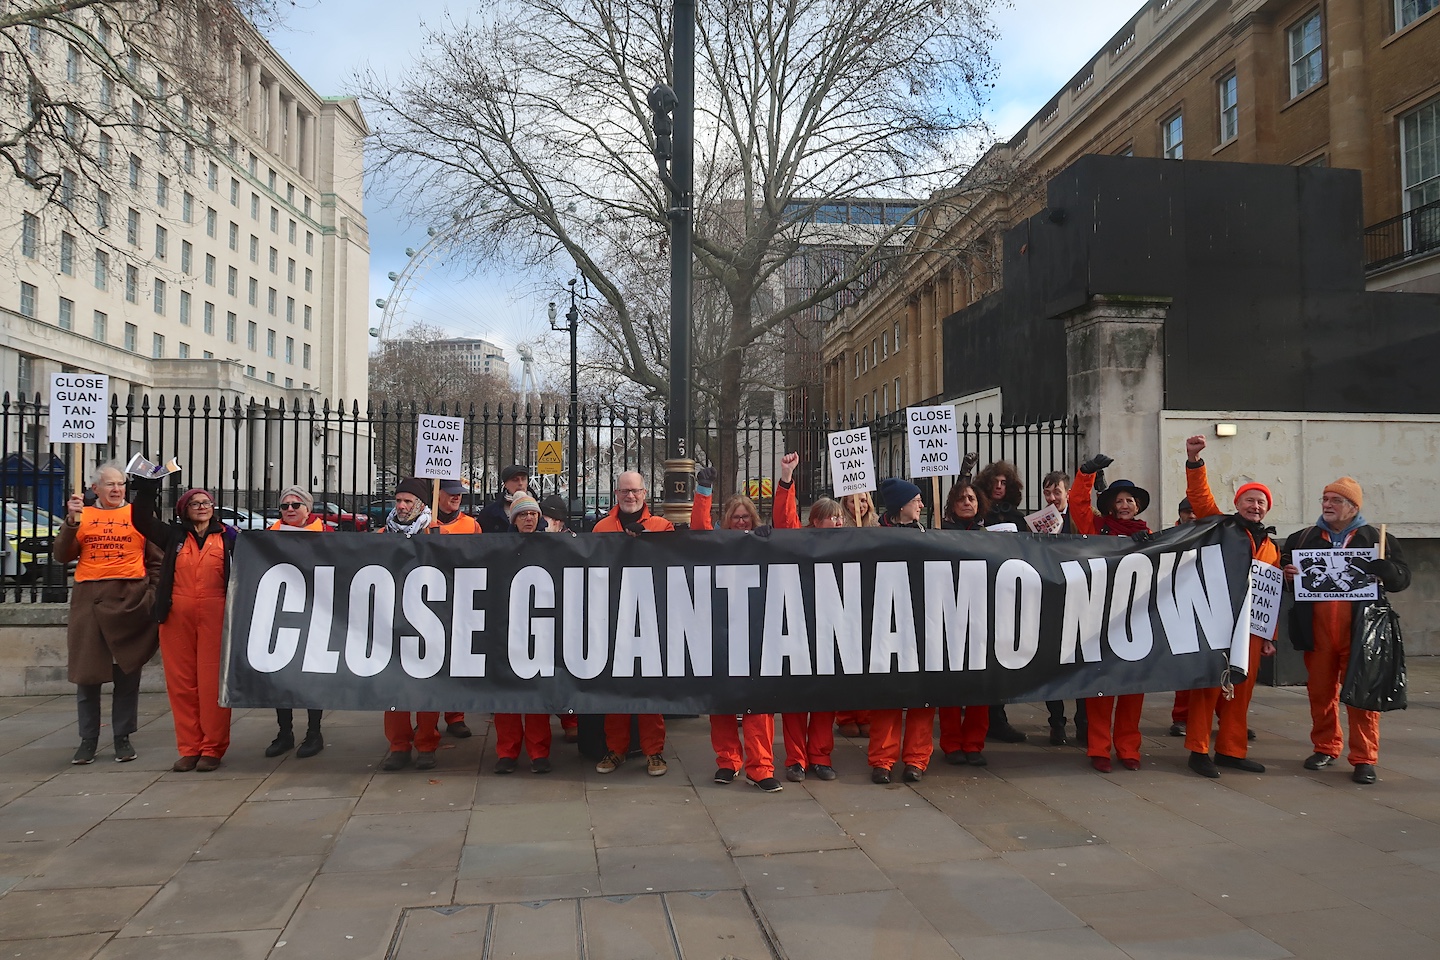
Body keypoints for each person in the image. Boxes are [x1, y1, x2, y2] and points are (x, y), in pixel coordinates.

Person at [1282, 477, 1410, 785]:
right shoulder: (1302, 539)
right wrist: (1287, 575)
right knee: (1320, 694)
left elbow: (1403, 578)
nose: (1327, 505)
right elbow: (1282, 579)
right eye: (1325, 499)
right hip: (1317, 633)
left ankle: (1364, 758)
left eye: (1335, 500)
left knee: (1362, 697)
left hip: (1360, 634)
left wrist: (1389, 571)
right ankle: (1325, 747)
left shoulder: (1378, 539)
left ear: (1353, 507)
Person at [1180, 436, 1279, 778]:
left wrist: (1270, 636)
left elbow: (1270, 594)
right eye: (1250, 500)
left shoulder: (1271, 546)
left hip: (1251, 630)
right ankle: (1198, 750)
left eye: (1261, 502)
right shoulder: (1221, 525)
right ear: (1238, 504)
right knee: (1209, 686)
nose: (1255, 506)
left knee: (1242, 689)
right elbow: (1200, 497)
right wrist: (1194, 461)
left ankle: (1231, 750)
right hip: (1218, 622)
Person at [55, 461, 160, 765]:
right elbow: (61, 555)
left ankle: (122, 737)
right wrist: (71, 522)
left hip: (130, 600)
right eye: (110, 484)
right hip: (90, 603)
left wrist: (151, 595)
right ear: (95, 488)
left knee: (128, 675)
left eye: (121, 484)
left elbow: (157, 560)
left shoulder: (139, 516)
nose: (117, 489)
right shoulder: (83, 516)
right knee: (87, 676)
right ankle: (88, 740)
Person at [129, 481, 237, 772]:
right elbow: (141, 519)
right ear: (184, 510)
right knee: (182, 685)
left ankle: (212, 748)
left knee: (212, 685)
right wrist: (148, 489)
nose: (202, 507)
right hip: (177, 617)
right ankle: (190, 748)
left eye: (206, 503)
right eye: (195, 503)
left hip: (216, 617)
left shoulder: (229, 537)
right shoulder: (173, 536)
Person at [692, 459, 784, 793]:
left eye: (746, 516)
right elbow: (699, 529)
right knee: (722, 702)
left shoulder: (764, 542)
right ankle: (728, 761)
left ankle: (760, 767)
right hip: (721, 632)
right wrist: (703, 491)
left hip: (757, 632)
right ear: (727, 520)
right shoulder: (715, 543)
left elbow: (790, 530)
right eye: (736, 517)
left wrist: (767, 541)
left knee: (758, 703)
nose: (741, 521)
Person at [1069, 454, 1151, 772]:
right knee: (1101, 688)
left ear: (1137, 506)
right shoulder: (1097, 528)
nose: (1125, 504)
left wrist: (1146, 545)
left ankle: (1129, 749)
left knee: (1132, 688)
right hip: (1101, 616)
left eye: (1130, 500)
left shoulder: (1148, 534)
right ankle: (1099, 748)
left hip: (1135, 619)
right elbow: (1078, 505)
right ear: (1111, 507)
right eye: (1119, 500)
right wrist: (1086, 474)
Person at [591, 471, 674, 777]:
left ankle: (654, 751)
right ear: (616, 494)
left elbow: (672, 559)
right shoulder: (601, 528)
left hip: (649, 616)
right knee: (616, 687)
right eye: (625, 491)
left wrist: (647, 539)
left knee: (649, 687)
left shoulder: (661, 526)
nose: (630, 496)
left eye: (635, 491)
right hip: (613, 616)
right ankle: (616, 749)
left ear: (644, 493)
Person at [868, 477, 933, 784]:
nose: (921, 504)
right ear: (901, 506)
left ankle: (917, 759)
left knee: (922, 694)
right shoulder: (873, 536)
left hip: (920, 624)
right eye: (916, 499)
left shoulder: (926, 534)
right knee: (887, 693)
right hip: (885, 624)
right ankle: (882, 759)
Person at [491, 494, 556, 774]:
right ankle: (507, 752)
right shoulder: (499, 547)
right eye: (522, 514)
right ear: (514, 519)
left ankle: (539, 753)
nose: (528, 519)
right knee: (506, 695)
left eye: (532, 514)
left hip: (540, 629)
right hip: (507, 628)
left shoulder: (552, 545)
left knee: (536, 694)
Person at [381, 477, 441, 771]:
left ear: (420, 504)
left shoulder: (435, 531)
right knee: (393, 687)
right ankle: (398, 746)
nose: (402, 506)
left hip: (427, 621)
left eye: (408, 501)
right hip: (391, 620)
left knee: (427, 686)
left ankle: (426, 743)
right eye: (398, 500)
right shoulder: (383, 533)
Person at [263, 486, 327, 758]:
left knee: (312, 674)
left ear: (308, 509)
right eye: (284, 505)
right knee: (281, 674)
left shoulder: (325, 535)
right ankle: (284, 732)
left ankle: (314, 732)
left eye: (296, 505)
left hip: (315, 612)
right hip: (280, 613)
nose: (289, 509)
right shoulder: (269, 536)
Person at [937, 476, 993, 766]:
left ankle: (974, 744)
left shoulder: (991, 533)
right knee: (950, 688)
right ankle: (951, 744)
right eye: (961, 499)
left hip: (981, 618)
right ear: (952, 505)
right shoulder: (940, 533)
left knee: (980, 687)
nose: (967, 503)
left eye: (971, 498)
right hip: (950, 618)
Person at [976, 460, 1028, 744]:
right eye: (994, 482)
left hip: (1007, 592)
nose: (998, 487)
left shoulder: (1017, 517)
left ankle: (997, 718)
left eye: (1003, 483)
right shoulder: (977, 512)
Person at [427, 478, 478, 739]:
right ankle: (428, 717)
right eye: (451, 493)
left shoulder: (471, 524)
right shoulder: (425, 523)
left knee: (457, 660)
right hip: (430, 598)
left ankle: (456, 716)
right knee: (430, 660)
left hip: (461, 598)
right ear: (438, 494)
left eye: (459, 493)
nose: (457, 497)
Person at [1040, 471, 1085, 746]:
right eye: (1047, 493)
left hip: (1080, 597)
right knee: (1051, 666)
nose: (1052, 498)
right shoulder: (1039, 521)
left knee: (1082, 663)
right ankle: (1056, 723)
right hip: (1052, 599)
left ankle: (1083, 723)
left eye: (1056, 492)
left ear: (1068, 492)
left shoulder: (1080, 518)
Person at [478, 465, 542, 534]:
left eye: (523, 479)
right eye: (515, 480)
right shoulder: (489, 513)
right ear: (505, 484)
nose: (520, 483)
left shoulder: (540, 509)